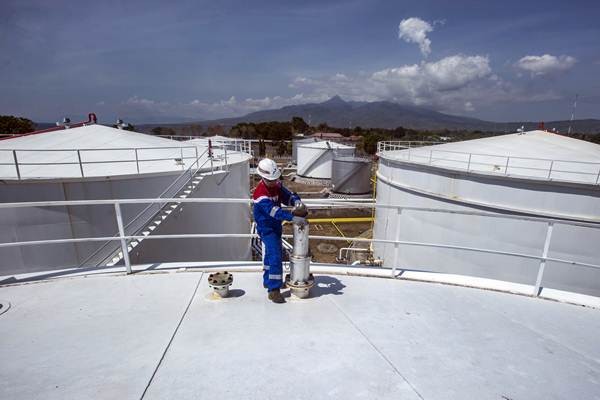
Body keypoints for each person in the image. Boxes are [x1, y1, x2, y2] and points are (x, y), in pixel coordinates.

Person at [253, 158, 308, 303]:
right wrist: (293, 217)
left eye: (275, 179)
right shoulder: (260, 194)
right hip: (267, 229)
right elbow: (274, 211)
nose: (274, 182)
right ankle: (274, 290)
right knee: (276, 256)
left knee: (270, 256)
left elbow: (286, 195)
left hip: (275, 226)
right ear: (263, 177)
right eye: (271, 180)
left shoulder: (275, 185)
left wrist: (296, 201)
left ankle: (268, 280)